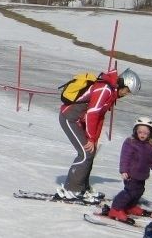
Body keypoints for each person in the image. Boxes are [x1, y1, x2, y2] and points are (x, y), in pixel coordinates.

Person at [57, 68, 140, 202]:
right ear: (123, 84)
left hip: (78, 120)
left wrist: (94, 139)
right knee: (85, 153)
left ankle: (82, 188)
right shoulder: (105, 90)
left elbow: (100, 118)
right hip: (69, 118)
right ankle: (71, 189)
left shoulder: (111, 93)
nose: (126, 94)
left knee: (91, 151)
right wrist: (90, 137)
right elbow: (92, 113)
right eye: (127, 91)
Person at [105, 117, 152, 222]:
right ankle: (116, 208)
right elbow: (125, 157)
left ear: (150, 133)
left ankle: (130, 207)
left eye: (145, 133)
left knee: (139, 191)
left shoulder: (151, 145)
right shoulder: (131, 142)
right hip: (130, 174)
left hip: (142, 175)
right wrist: (124, 170)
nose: (142, 135)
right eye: (140, 132)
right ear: (135, 131)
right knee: (129, 192)